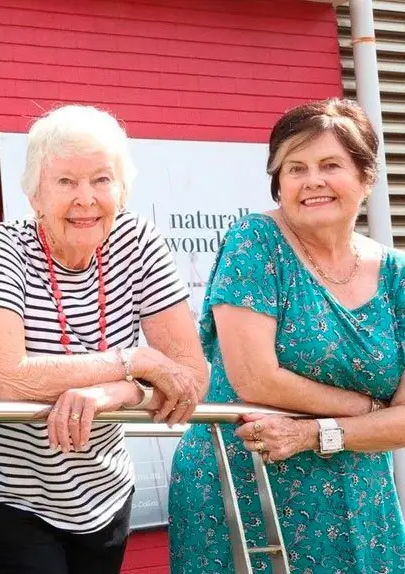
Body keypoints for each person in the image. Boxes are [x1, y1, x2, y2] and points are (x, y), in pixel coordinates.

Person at [0, 104, 209, 574]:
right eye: (66, 182)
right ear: (34, 194)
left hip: (104, 495)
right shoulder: (2, 245)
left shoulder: (139, 242)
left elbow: (190, 377)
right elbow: (2, 376)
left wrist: (119, 391)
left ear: (122, 189)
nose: (85, 198)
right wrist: (135, 361)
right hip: (9, 494)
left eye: (101, 180)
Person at [169, 98, 405, 573]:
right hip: (246, 489)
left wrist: (318, 433)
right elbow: (256, 378)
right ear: (279, 183)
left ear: (366, 177)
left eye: (330, 165)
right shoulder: (255, 241)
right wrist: (367, 411)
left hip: (361, 497)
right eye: (295, 168)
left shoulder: (396, 274)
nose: (312, 180)